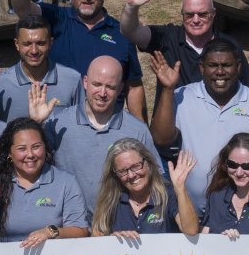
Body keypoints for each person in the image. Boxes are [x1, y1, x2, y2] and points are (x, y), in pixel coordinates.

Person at [7, 0, 145, 117]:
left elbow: (134, 85)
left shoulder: (122, 33)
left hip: (106, 123)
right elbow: (24, 9)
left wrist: (140, 129)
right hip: (59, 120)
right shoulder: (56, 18)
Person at [150, 37, 249, 204]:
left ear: (238, 67)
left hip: (241, 214)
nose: (220, 71)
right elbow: (161, 140)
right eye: (213, 65)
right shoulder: (182, 96)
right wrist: (167, 89)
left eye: (227, 65)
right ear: (202, 68)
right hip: (190, 211)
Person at [32, 54, 156, 211]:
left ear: (120, 89)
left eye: (110, 87)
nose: (102, 93)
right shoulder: (58, 123)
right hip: (71, 224)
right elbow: (30, 164)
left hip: (119, 226)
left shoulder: (137, 130)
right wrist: (35, 124)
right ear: (85, 82)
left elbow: (155, 178)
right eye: (97, 84)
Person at [0, 118, 92, 246]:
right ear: (9, 153)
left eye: (36, 147)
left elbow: (81, 232)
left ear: (45, 147)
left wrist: (50, 232)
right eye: (22, 149)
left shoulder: (66, 182)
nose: (30, 154)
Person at [118, 0, 249, 90]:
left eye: (202, 14)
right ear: (182, 14)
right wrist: (131, 7)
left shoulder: (230, 46)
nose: (195, 20)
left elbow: (247, 90)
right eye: (189, 14)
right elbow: (130, 32)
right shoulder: (167, 37)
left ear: (213, 14)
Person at [92, 142, 198, 239]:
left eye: (136, 166)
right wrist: (111, 240)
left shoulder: (167, 194)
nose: (131, 175)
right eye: (122, 171)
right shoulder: (110, 199)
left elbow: (191, 230)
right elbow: (96, 243)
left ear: (148, 164)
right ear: (115, 175)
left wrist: (180, 189)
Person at [0, 16, 81, 123]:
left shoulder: (72, 80)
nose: (34, 51)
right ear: (17, 44)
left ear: (51, 43)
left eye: (40, 43)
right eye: (27, 44)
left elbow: (82, 124)